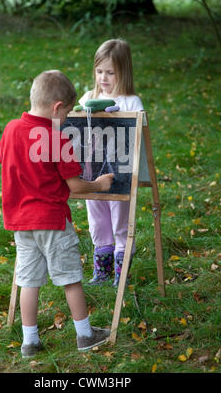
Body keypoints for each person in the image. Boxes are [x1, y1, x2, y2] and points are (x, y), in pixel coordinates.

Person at [0, 70, 113, 357]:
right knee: (70, 278)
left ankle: (29, 342)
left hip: (21, 224)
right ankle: (85, 335)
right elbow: (75, 185)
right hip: (52, 221)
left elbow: (5, 158)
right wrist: (98, 183)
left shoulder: (11, 129)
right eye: (68, 112)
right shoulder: (56, 140)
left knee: (29, 281)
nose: (67, 119)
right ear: (57, 107)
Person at [79, 39, 144, 286]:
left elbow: (140, 133)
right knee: (97, 220)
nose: (103, 78)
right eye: (99, 72)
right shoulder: (87, 99)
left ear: (123, 72)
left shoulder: (131, 101)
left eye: (110, 72)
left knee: (120, 220)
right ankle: (102, 271)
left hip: (121, 172)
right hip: (92, 172)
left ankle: (121, 272)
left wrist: (120, 117)